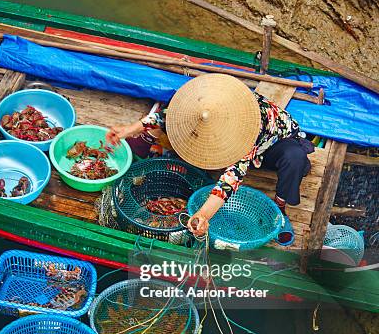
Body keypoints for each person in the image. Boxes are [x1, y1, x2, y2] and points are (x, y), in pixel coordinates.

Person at [107, 74, 313, 245]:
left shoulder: (249, 125)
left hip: (273, 144)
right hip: (239, 138)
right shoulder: (208, 100)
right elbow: (166, 116)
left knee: (294, 158)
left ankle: (281, 208)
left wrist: (203, 214)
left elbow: (231, 179)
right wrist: (128, 130)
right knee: (180, 123)